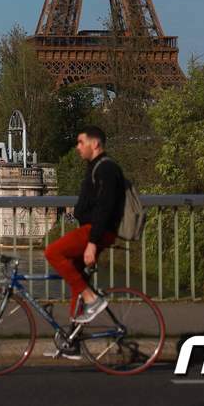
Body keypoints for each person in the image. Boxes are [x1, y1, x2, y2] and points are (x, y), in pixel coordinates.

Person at [42, 125, 123, 355]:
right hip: (93, 229)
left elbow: (105, 207)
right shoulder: (95, 167)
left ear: (95, 144)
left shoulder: (106, 168)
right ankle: (73, 341)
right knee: (77, 279)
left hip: (95, 231)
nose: (77, 147)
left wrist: (92, 243)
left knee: (52, 252)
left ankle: (92, 299)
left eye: (81, 142)